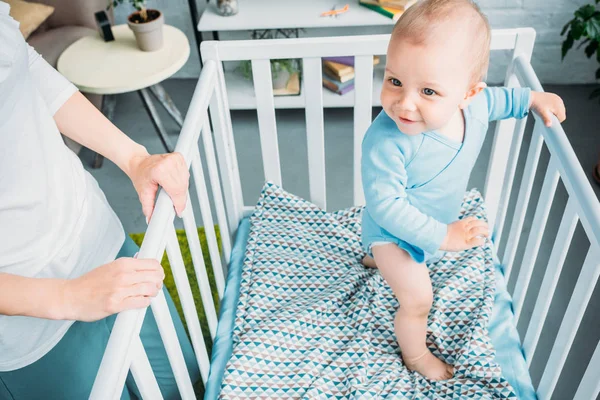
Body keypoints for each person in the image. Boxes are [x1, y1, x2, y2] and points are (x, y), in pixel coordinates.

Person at [0, 3, 199, 399]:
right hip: (30, 317)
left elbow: (24, 68)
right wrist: (66, 296)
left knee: (180, 381)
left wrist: (134, 157)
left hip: (97, 236)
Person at [360, 0, 566, 381]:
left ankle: (383, 264)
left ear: (467, 94)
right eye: (394, 81)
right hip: (391, 231)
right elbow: (386, 207)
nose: (405, 103)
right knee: (419, 298)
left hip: (430, 221)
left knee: (409, 271)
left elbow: (504, 100)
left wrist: (532, 100)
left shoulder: (476, 108)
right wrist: (444, 236)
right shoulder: (385, 142)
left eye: (427, 91)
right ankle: (417, 356)